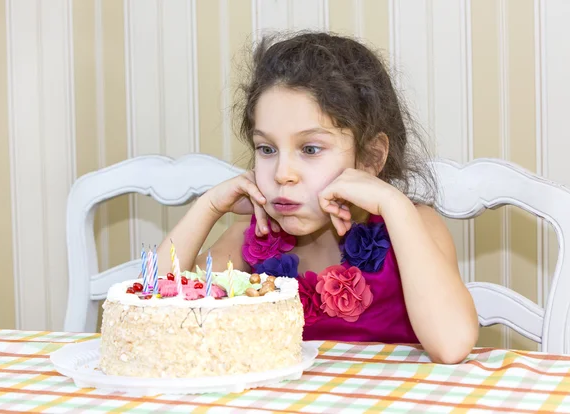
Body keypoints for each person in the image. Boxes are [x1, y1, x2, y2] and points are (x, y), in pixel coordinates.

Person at [158, 32, 478, 364]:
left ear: (370, 158)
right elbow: (155, 312)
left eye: (310, 149)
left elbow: (451, 345)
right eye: (266, 149)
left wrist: (394, 205)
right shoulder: (252, 236)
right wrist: (208, 208)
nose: (283, 173)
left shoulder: (414, 226)